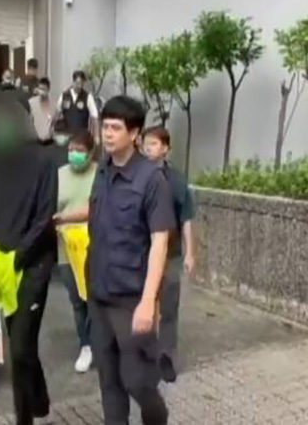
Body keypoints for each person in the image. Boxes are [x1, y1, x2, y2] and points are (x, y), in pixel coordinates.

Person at [87, 96, 175, 425]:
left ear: (134, 133)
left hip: (131, 300)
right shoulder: (102, 169)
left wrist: (149, 302)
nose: (107, 134)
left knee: (138, 381)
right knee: (109, 382)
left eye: (115, 128)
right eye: (105, 127)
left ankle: (157, 419)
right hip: (99, 295)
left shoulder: (152, 180)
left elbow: (160, 242)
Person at [0, 110, 57, 425]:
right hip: (2, 263)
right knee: (19, 342)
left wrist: (20, 255)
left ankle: (23, 418)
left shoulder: (44, 161)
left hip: (35, 262)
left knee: (21, 348)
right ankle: (38, 399)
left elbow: (45, 216)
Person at [142, 126, 196, 383]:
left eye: (153, 144)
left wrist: (190, 253)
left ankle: (166, 356)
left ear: (165, 148)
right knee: (141, 304)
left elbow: (187, 218)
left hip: (171, 254)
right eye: (146, 143)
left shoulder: (177, 180)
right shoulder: (136, 175)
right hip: (140, 253)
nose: (148, 148)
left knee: (169, 307)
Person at [53, 130, 98, 373]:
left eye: (79, 151)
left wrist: (66, 218)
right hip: (66, 250)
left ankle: (100, 343)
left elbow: (100, 208)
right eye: (71, 150)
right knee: (77, 301)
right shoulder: (58, 175)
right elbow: (49, 209)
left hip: (95, 248)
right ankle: (86, 345)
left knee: (95, 298)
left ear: (91, 153)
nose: (74, 155)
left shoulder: (101, 175)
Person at [57, 70, 99, 139]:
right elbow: (57, 113)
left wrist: (96, 136)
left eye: (82, 84)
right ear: (73, 82)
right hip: (66, 135)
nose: (80, 86)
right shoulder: (64, 95)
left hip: (81, 136)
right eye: (78, 83)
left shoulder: (88, 97)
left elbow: (94, 117)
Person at [28, 77, 54, 144]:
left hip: (49, 140)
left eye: (44, 89)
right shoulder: (32, 102)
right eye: (40, 88)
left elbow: (54, 122)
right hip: (36, 140)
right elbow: (30, 120)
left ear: (48, 90)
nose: (41, 91)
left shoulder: (53, 104)